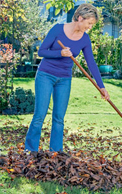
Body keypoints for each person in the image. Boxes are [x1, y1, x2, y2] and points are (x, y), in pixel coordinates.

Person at [25, 3, 110, 152]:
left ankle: (56, 151)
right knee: (40, 115)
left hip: (64, 79)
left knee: (58, 117)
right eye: (89, 23)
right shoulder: (58, 29)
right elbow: (42, 52)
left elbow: (91, 64)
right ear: (79, 18)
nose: (90, 27)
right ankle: (30, 150)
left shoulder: (85, 39)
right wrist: (60, 53)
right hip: (45, 75)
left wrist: (101, 86)